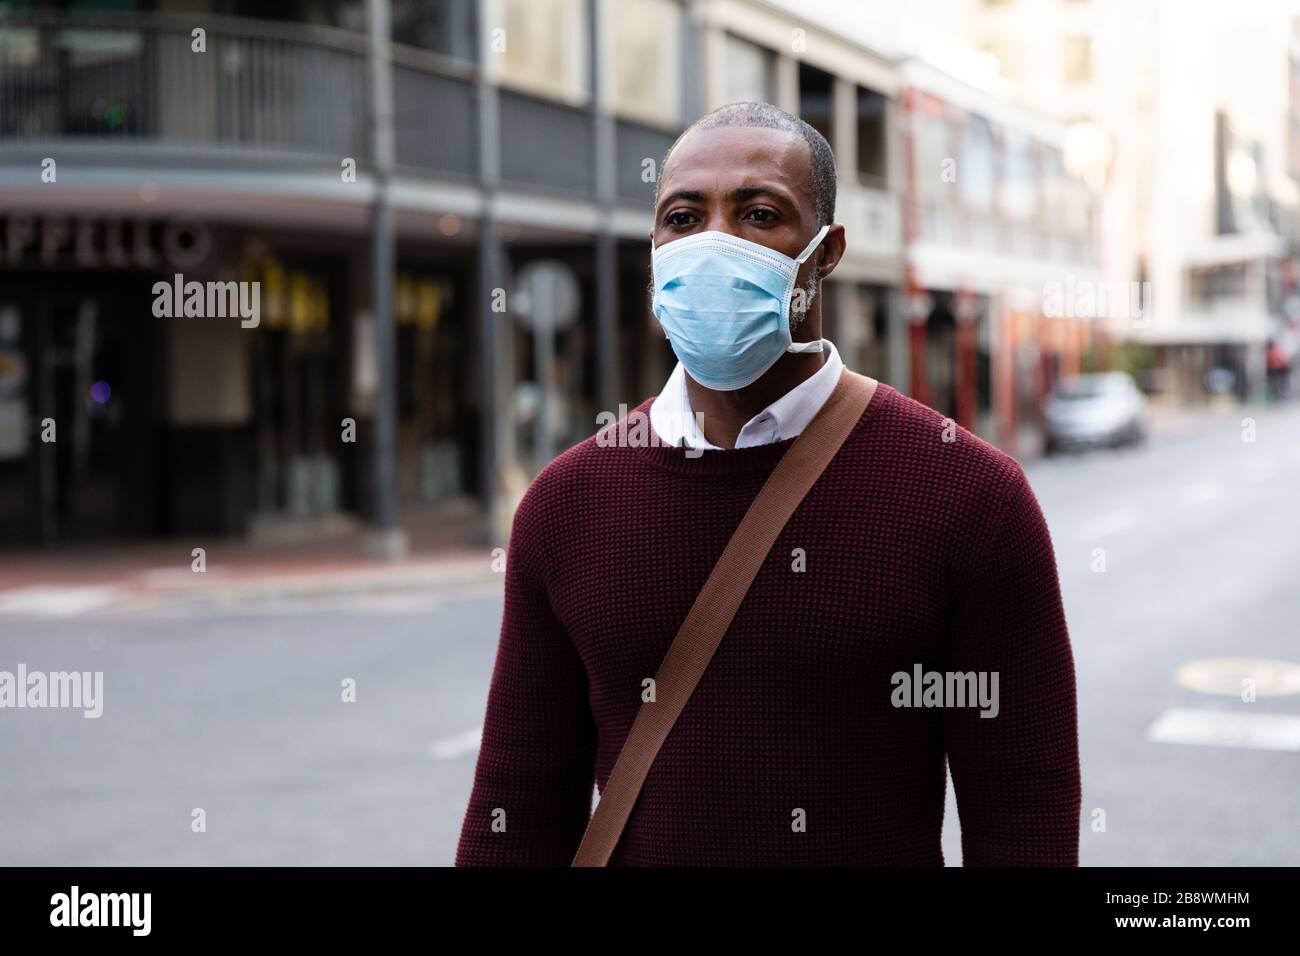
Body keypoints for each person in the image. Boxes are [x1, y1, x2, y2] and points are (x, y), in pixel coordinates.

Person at [455, 102, 1081, 866]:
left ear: (826, 252)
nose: (714, 243)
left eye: (759, 214)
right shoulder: (565, 505)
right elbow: (517, 805)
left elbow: (1023, 815)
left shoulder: (969, 498)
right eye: (683, 218)